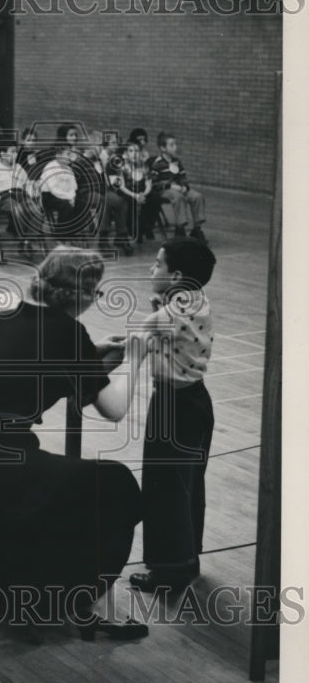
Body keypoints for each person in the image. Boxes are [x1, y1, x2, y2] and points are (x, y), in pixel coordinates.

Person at [0, 245, 150, 639]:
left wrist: (90, 356)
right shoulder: (69, 333)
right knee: (116, 484)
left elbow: (42, 360)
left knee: (74, 480)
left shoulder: (2, 318)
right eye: (96, 292)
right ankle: (78, 600)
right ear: (83, 293)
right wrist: (136, 359)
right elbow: (114, 409)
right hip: (4, 474)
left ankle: (30, 591)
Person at [129, 237, 216, 593]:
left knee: (165, 488)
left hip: (174, 406)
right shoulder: (196, 299)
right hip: (195, 401)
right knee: (187, 485)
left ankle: (169, 571)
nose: (152, 268)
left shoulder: (170, 314)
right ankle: (186, 558)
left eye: (158, 264)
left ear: (177, 274)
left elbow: (139, 339)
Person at [149, 132, 207, 242]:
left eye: (175, 144)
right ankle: (180, 229)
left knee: (197, 197)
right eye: (171, 145)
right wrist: (170, 185)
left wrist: (185, 186)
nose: (175, 147)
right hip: (165, 190)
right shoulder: (158, 164)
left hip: (179, 188)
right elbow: (154, 183)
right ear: (163, 148)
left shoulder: (177, 161)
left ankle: (197, 229)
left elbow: (183, 176)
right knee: (178, 197)